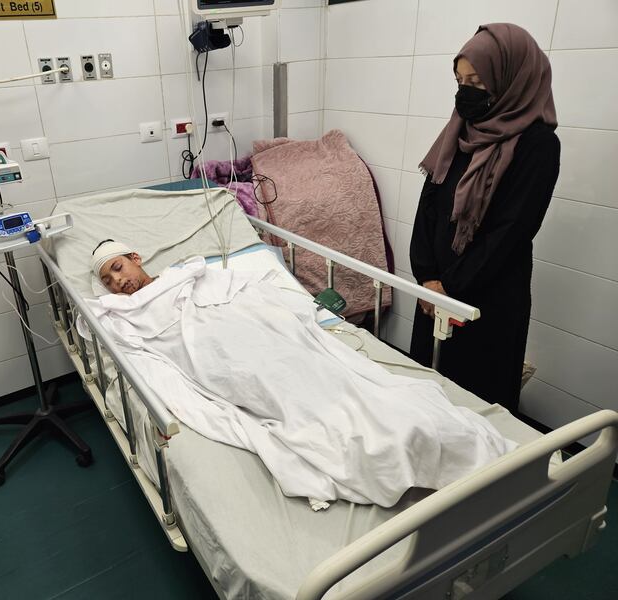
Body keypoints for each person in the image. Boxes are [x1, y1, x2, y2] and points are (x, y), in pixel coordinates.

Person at [87, 241, 515, 508]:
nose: (117, 283)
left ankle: (425, 432)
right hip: (218, 357)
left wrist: (292, 320)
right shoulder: (121, 317)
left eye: (118, 268)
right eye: (108, 281)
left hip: (257, 334)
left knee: (331, 374)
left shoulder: (191, 275)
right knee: (290, 399)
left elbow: (254, 295)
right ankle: (386, 443)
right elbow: (151, 360)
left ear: (135, 257)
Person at [409, 23, 560, 414]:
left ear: (509, 78)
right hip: (435, 292)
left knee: (478, 408)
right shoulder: (460, 130)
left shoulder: (538, 146)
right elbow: (429, 199)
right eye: (460, 80)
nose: (465, 92)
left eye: (476, 81)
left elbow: (512, 230)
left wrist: (451, 287)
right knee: (425, 395)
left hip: (487, 299)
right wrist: (426, 276)